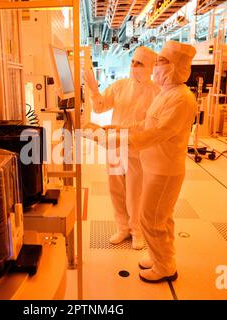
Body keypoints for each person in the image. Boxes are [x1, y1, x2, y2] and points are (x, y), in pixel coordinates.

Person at [127, 41, 197, 282]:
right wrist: (115, 130)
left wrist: (118, 138)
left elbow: (155, 133)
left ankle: (165, 266)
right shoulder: (167, 93)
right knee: (162, 217)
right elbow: (146, 124)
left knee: (151, 218)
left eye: (161, 62)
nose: (156, 66)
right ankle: (162, 256)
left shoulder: (182, 99)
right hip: (155, 166)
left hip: (165, 170)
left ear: (177, 67)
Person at [83, 46, 160, 250]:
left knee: (136, 192)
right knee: (116, 188)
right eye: (133, 62)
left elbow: (152, 126)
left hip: (138, 148)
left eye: (140, 63)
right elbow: (100, 107)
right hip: (115, 147)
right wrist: (93, 90)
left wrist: (126, 131)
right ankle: (122, 228)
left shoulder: (156, 92)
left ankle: (137, 231)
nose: (134, 66)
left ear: (151, 67)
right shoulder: (119, 86)